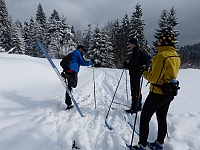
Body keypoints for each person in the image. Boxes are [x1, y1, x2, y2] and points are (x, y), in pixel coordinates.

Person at [131, 29, 181, 150]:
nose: (157, 42)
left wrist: (144, 72)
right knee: (161, 117)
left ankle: (142, 145)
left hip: (157, 93)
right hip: (169, 92)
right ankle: (159, 143)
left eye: (159, 40)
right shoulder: (176, 56)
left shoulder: (162, 56)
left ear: (163, 42)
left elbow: (154, 78)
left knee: (144, 118)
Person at [64, 45, 93, 110]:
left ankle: (68, 104)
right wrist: (91, 62)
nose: (83, 52)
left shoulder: (74, 53)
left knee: (69, 87)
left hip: (69, 70)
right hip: (72, 70)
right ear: (80, 49)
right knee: (73, 84)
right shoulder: (77, 53)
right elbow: (83, 62)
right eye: (82, 50)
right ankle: (66, 76)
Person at [123, 37, 143, 114]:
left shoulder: (136, 52)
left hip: (135, 74)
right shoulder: (137, 51)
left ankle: (134, 108)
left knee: (134, 91)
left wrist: (126, 65)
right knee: (137, 90)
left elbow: (133, 64)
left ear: (133, 44)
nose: (129, 45)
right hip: (137, 73)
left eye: (130, 44)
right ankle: (138, 106)